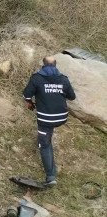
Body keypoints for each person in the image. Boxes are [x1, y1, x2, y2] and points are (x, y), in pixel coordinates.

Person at [23, 56, 76, 186]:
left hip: (46, 119)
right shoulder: (63, 79)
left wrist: (30, 103)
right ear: (55, 65)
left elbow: (26, 95)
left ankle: (51, 177)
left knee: (45, 144)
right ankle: (45, 139)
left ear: (43, 64)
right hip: (62, 117)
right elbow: (72, 97)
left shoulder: (36, 78)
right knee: (46, 135)